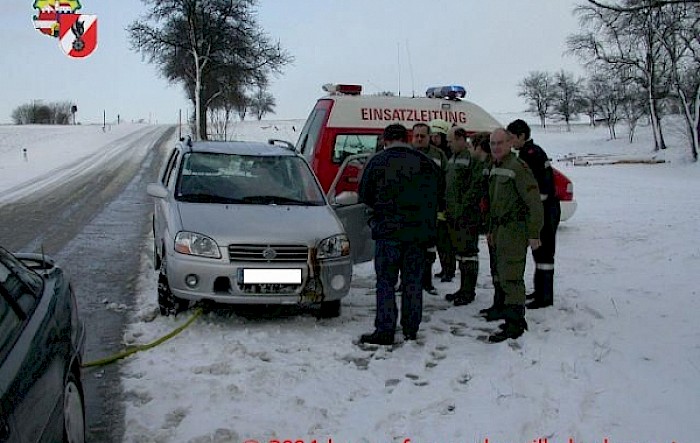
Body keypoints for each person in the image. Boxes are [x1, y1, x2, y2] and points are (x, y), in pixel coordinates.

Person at [358, 123, 441, 345]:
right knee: (412, 282)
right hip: (417, 235)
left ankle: (385, 329)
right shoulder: (426, 162)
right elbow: (438, 196)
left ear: (385, 140)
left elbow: (364, 195)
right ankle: (411, 328)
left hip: (387, 233)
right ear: (408, 138)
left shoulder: (376, 162)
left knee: (385, 282)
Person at [485, 128, 544, 342]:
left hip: (514, 230)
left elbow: (534, 203)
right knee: (501, 273)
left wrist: (534, 233)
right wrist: (490, 229)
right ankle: (505, 311)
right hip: (500, 229)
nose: (495, 147)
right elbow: (494, 203)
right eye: (492, 143)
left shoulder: (517, 168)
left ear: (510, 143)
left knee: (511, 277)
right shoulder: (497, 166)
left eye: (500, 143)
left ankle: (516, 323)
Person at [506, 119, 561, 309]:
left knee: (544, 254)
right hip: (543, 209)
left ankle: (545, 297)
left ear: (522, 136)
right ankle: (540, 291)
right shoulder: (528, 152)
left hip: (545, 210)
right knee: (539, 255)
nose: (510, 141)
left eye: (512, 137)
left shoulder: (532, 154)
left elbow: (540, 189)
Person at [443, 126, 485, 306]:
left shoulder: (471, 158)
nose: (449, 144)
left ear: (461, 139)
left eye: (451, 141)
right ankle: (462, 288)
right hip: (453, 214)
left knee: (468, 254)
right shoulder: (453, 157)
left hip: (466, 215)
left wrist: (462, 207)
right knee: (460, 253)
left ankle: (469, 291)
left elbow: (475, 186)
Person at [411, 122, 448, 296]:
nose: (419, 139)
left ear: (429, 137)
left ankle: (427, 282)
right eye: (416, 136)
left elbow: (445, 180)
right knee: (409, 248)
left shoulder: (439, 155)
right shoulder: (406, 154)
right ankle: (406, 282)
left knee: (429, 248)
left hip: (431, 209)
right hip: (409, 210)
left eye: (422, 136)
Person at [429, 118, 456, 282]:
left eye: (437, 136)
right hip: (435, 202)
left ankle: (449, 269)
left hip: (444, 203)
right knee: (437, 240)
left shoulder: (448, 155)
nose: (434, 139)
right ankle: (444, 268)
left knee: (446, 240)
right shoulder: (434, 153)